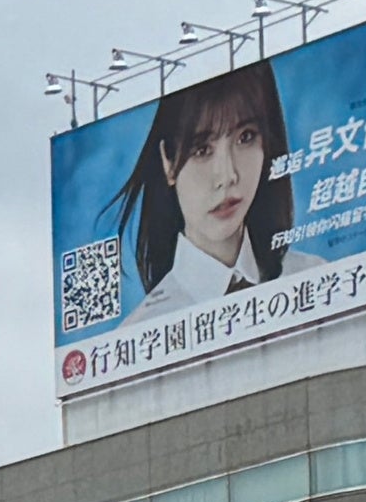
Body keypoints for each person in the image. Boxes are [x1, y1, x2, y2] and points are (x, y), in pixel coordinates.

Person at [112, 60, 292, 323]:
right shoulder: (142, 331)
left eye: (246, 137)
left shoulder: (312, 276)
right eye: (202, 150)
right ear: (168, 163)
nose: (228, 176)